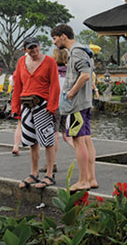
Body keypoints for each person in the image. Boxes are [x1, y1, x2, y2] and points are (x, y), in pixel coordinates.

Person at [51, 24, 98, 192]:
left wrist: (71, 93)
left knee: (78, 141)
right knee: (86, 140)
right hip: (84, 103)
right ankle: (91, 178)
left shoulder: (77, 52)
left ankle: (83, 180)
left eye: (55, 38)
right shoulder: (83, 50)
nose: (54, 42)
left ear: (63, 36)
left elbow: (85, 75)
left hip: (76, 105)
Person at [11, 37, 60, 189]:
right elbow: (18, 86)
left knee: (48, 141)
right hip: (26, 105)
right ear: (25, 49)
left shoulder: (49, 61)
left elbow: (55, 85)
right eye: (30, 48)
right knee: (31, 141)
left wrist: (52, 107)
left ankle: (49, 174)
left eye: (35, 46)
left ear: (39, 46)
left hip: (43, 105)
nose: (33, 50)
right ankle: (34, 173)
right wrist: (15, 108)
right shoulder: (21, 62)